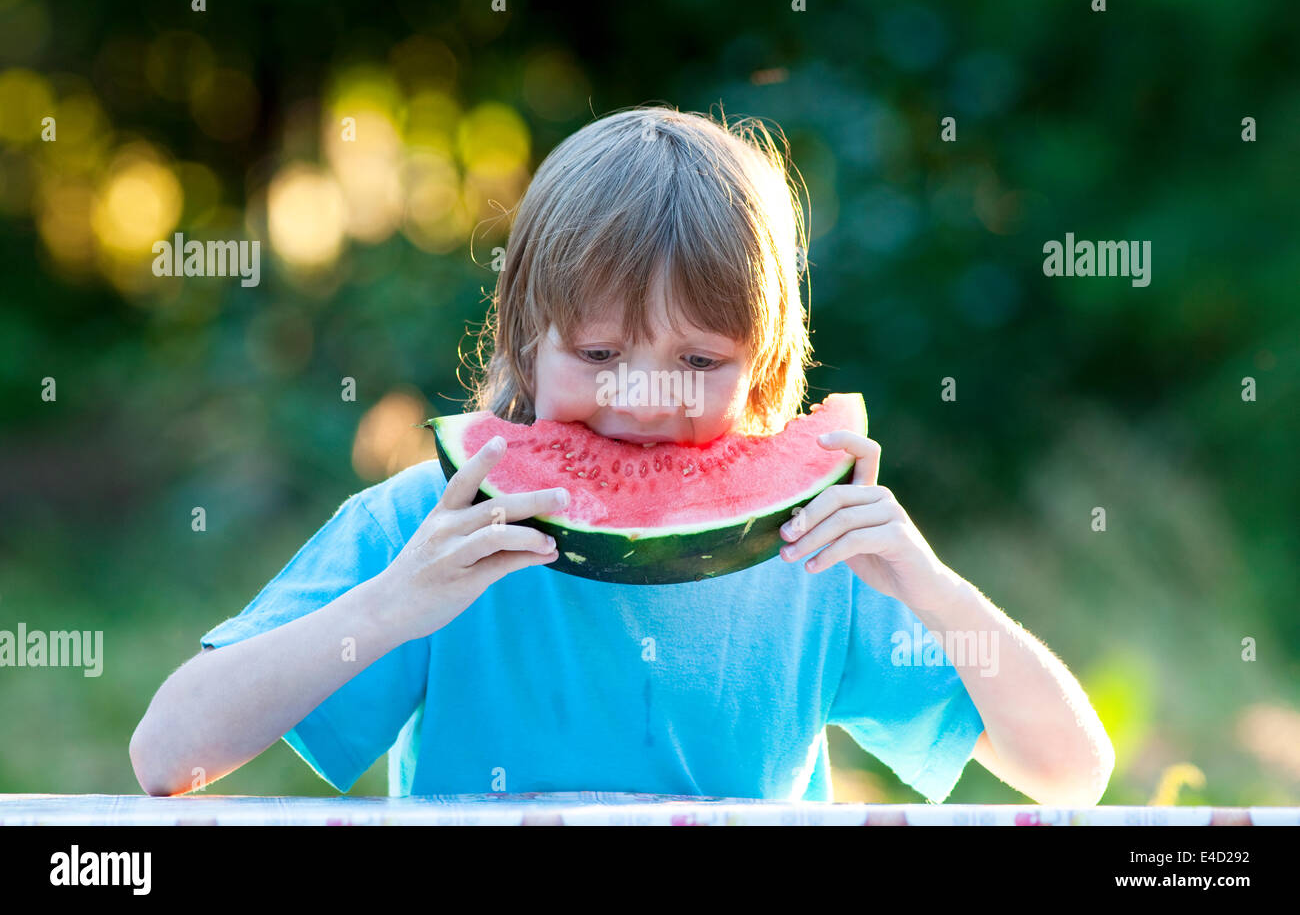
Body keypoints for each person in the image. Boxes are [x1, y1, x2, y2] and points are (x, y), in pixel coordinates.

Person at [130, 105, 1113, 804]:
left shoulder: (814, 555)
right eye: (599, 354)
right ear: (524, 341)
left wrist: (934, 588)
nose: (645, 397)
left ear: (768, 367)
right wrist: (393, 603)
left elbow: (1073, 771)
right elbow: (166, 753)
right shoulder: (422, 527)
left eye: (698, 358)